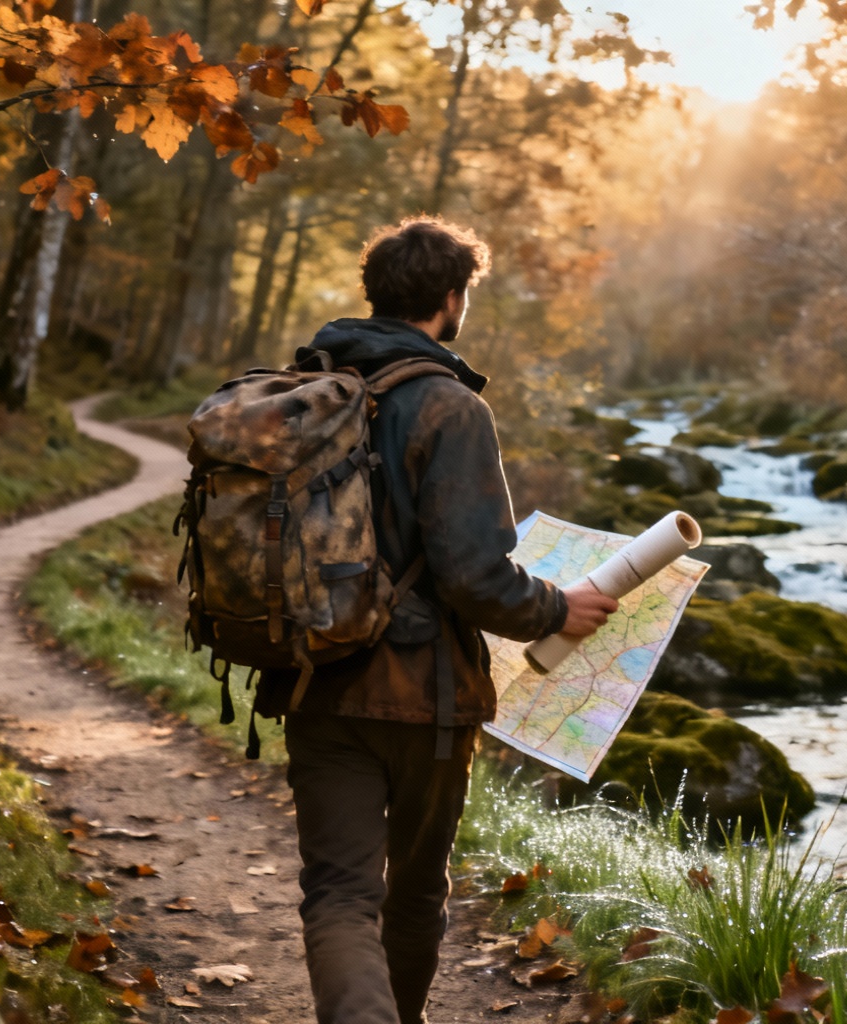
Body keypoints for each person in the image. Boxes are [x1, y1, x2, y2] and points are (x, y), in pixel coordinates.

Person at [254, 217, 618, 1024]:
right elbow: (476, 578)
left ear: (375, 293)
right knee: (413, 897)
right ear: (453, 301)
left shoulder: (300, 395)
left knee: (340, 894)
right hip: (428, 700)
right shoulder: (450, 407)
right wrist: (561, 607)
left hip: (313, 677)